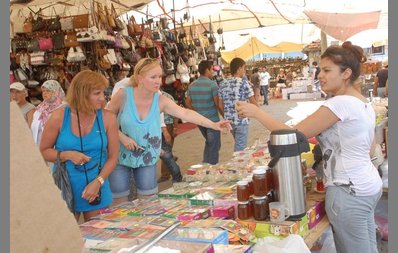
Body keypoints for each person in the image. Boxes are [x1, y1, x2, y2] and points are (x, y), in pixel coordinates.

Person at [236, 41, 382, 253]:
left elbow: (291, 136)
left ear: (346, 73)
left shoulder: (339, 103)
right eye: (319, 70)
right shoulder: (362, 102)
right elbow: (369, 149)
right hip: (368, 185)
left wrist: (257, 112)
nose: (319, 75)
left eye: (326, 70)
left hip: (349, 192)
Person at [106, 58, 231, 205]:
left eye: (160, 76)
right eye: (153, 77)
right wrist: (122, 137)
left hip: (147, 155)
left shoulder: (160, 100)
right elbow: (105, 118)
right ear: (139, 78)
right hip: (120, 155)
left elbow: (185, 113)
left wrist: (213, 125)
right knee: (119, 201)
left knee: (148, 201)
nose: (158, 81)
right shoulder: (123, 95)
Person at [40, 70, 119, 221]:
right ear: (81, 94)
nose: (102, 98)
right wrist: (67, 155)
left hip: (97, 187)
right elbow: (43, 151)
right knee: (67, 240)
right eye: (97, 93)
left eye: (103, 92)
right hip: (66, 186)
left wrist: (98, 182)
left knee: (100, 238)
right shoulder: (59, 117)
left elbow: (113, 157)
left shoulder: (108, 118)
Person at [185, 60, 224, 165]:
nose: (213, 72)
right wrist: (224, 117)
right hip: (212, 120)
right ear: (207, 70)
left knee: (210, 143)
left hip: (200, 121)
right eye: (211, 69)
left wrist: (196, 112)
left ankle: (205, 164)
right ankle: (210, 168)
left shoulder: (192, 85)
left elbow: (187, 103)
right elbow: (218, 104)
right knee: (214, 145)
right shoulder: (212, 85)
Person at [219, 57, 257, 152]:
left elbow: (220, 104)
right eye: (244, 68)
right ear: (239, 68)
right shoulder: (244, 83)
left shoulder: (223, 83)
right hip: (242, 120)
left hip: (229, 121)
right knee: (240, 149)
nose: (244, 70)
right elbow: (254, 103)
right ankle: (237, 166)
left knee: (238, 143)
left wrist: (226, 116)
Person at [158, 89, 183, 183]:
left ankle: (166, 174)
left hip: (167, 126)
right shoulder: (166, 96)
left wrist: (175, 128)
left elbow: (176, 114)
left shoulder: (166, 97)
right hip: (163, 126)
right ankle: (172, 173)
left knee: (166, 152)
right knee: (167, 152)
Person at [30, 80, 65, 145]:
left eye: (48, 91)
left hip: (55, 148)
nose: (44, 93)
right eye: (43, 91)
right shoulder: (40, 108)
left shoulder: (63, 108)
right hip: (37, 147)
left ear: (56, 92)